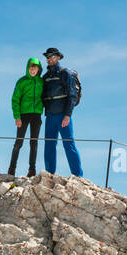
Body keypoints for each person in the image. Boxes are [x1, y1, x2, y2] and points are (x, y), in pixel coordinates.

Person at [40, 47, 83, 176]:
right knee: (49, 145)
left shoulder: (66, 73)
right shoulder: (45, 77)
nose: (49, 59)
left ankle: (77, 175)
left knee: (68, 144)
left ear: (58, 57)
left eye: (52, 56)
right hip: (50, 116)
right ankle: (49, 173)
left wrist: (67, 115)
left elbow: (72, 96)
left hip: (63, 116)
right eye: (47, 57)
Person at [8, 57, 44, 176]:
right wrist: (17, 117)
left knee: (34, 142)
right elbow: (15, 99)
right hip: (23, 115)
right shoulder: (22, 81)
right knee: (19, 142)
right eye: (31, 68)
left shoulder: (41, 82)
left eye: (35, 68)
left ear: (38, 69)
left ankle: (32, 170)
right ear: (27, 68)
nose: (33, 70)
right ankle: (12, 169)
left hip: (36, 115)